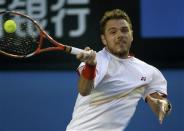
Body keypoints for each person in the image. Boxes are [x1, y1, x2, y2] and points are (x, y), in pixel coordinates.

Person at [66, 9, 171, 131]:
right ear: (104, 39)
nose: (120, 35)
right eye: (113, 32)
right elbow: (84, 90)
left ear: (131, 35)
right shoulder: (97, 60)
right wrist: (90, 66)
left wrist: (163, 106)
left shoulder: (149, 72)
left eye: (124, 30)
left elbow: (161, 105)